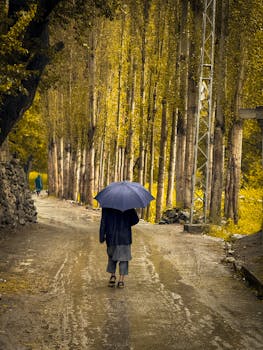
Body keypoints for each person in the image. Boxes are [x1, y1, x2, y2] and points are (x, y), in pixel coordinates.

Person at [99, 207, 139, 288]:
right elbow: (135, 220)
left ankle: (112, 277)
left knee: (111, 257)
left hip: (111, 236)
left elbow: (103, 221)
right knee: (124, 259)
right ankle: (121, 281)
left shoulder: (107, 205)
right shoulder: (128, 205)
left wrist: (101, 236)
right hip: (124, 237)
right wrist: (127, 223)